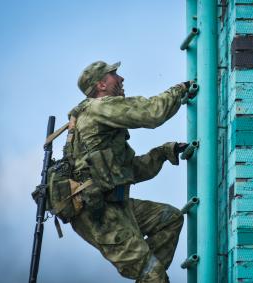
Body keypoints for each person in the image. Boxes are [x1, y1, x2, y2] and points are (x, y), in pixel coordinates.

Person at [66, 60, 191, 282]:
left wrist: (163, 153)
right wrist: (179, 90)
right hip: (100, 215)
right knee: (152, 275)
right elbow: (151, 113)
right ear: (101, 85)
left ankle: (150, 274)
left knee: (169, 219)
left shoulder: (94, 118)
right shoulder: (99, 107)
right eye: (115, 75)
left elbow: (129, 171)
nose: (121, 79)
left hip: (114, 206)